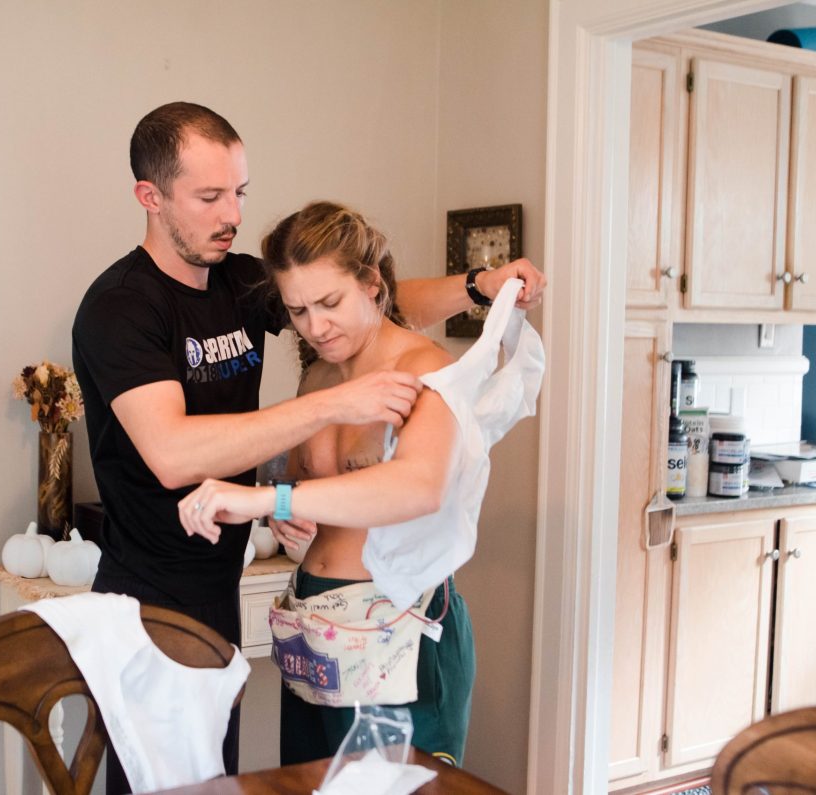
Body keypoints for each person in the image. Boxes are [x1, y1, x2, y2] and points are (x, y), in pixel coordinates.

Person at [71, 102, 544, 793]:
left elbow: (362, 299)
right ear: (151, 196)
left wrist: (477, 286)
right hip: (152, 596)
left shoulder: (243, 284)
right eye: (209, 197)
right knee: (168, 786)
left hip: (274, 598)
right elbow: (172, 454)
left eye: (239, 192)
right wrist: (316, 430)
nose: (231, 214)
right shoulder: (121, 307)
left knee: (229, 780)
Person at [178, 200, 521, 766]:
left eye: (330, 303)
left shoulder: (426, 370)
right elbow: (314, 490)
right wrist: (286, 513)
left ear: (372, 284)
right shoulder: (318, 376)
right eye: (299, 310)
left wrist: (268, 497)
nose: (316, 327)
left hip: (398, 633)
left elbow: (417, 487)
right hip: (315, 627)